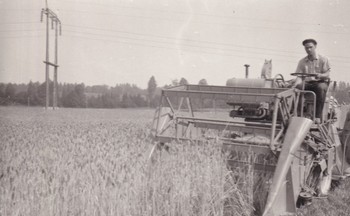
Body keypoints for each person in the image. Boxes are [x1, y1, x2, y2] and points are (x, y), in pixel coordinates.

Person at [293, 39, 331, 122]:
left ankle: (317, 116)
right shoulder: (302, 62)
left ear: (315, 47)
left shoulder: (323, 59)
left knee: (321, 88)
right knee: (295, 89)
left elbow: (327, 74)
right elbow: (299, 76)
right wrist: (295, 85)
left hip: (320, 82)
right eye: (306, 48)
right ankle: (297, 114)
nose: (308, 49)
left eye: (310, 47)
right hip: (307, 83)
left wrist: (320, 75)